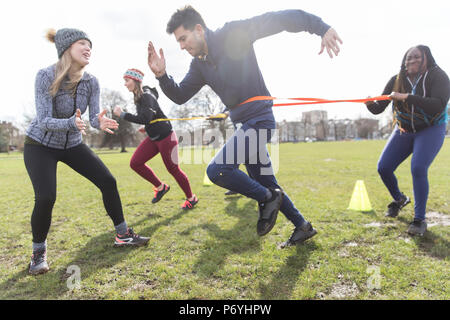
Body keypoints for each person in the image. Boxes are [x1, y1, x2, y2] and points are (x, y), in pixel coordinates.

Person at [147, 6, 343, 247]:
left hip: (260, 120)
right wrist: (162, 76)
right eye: (178, 42)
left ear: (199, 29)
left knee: (217, 170)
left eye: (183, 39)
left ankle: (268, 199)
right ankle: (302, 226)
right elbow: (179, 95)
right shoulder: (200, 65)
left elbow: (278, 19)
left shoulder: (233, 33)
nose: (182, 46)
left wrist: (321, 27)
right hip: (244, 124)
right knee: (267, 182)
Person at [24, 28, 149, 275]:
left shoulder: (92, 82)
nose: (88, 48)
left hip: (71, 144)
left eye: (89, 44)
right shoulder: (45, 76)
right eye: (82, 43)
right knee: (46, 197)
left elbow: (92, 117)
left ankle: (123, 235)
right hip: (40, 145)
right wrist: (72, 122)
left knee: (108, 181)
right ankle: (38, 254)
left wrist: (99, 122)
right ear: (66, 49)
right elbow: (44, 120)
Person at [365, 45, 449, 236]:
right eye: (408, 58)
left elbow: (438, 104)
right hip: (404, 129)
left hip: (430, 129)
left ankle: (419, 220)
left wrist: (407, 97)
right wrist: (370, 103)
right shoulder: (397, 80)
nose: (411, 61)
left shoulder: (438, 76)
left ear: (426, 58)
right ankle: (400, 199)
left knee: (418, 168)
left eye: (416, 57)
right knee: (383, 167)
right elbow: (379, 108)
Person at [113, 68, 198, 209]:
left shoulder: (146, 96)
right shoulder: (139, 97)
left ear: (135, 81)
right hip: (154, 138)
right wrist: (146, 127)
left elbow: (145, 118)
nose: (125, 84)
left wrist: (122, 114)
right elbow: (149, 118)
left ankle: (191, 198)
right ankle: (161, 187)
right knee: (135, 163)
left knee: (173, 169)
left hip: (166, 137)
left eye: (127, 81)